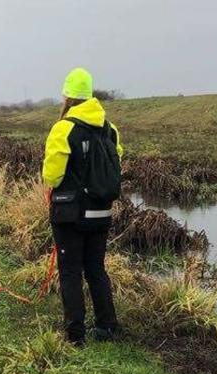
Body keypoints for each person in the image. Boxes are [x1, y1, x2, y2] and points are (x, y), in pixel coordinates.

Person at [42, 67, 124, 346]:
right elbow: (117, 162)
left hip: (69, 215)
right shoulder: (110, 129)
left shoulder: (63, 128)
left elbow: (51, 176)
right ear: (89, 95)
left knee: (70, 272)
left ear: (67, 95)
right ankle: (107, 327)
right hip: (102, 213)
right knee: (96, 269)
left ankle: (75, 336)